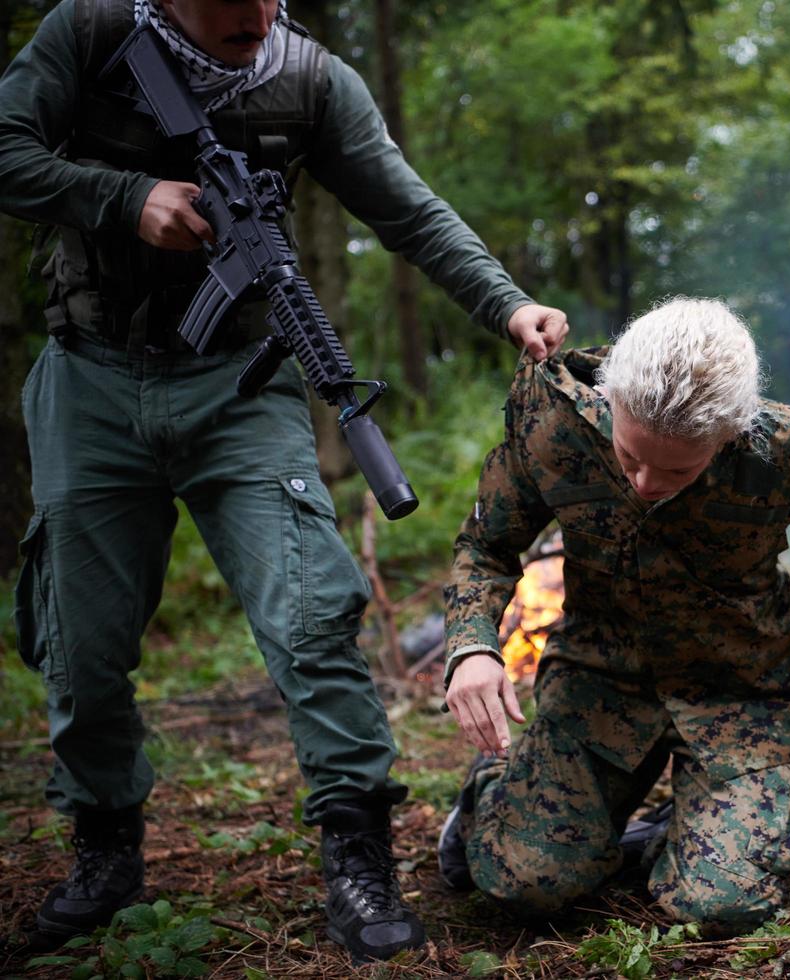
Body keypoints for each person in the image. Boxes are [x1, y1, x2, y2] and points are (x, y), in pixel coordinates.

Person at [2, 0, 568, 960]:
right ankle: (104, 852)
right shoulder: (89, 34)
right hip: (91, 378)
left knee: (311, 616)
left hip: (245, 381)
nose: (255, 15)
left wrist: (508, 305)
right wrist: (124, 197)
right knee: (81, 644)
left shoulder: (307, 79)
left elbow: (409, 210)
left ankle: (360, 862)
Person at [436, 297, 790, 931]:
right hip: (602, 679)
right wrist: (474, 646)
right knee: (524, 888)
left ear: (731, 434)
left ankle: (705, 826)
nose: (643, 483)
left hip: (742, 690)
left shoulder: (786, 448)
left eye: (676, 469)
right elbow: (487, 543)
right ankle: (494, 790)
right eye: (630, 455)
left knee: (717, 906)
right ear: (612, 403)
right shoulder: (554, 426)